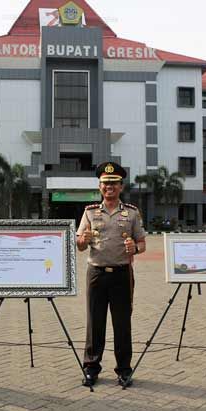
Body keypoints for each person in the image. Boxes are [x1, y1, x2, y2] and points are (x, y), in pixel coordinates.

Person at [76, 161, 147, 387]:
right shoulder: (89, 212)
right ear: (99, 187)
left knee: (122, 323)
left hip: (121, 274)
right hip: (96, 273)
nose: (110, 187)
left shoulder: (132, 213)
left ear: (121, 186)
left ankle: (124, 369)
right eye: (106, 183)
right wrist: (82, 240)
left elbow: (142, 243)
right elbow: (79, 243)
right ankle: (91, 367)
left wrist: (134, 248)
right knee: (94, 322)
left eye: (114, 183)